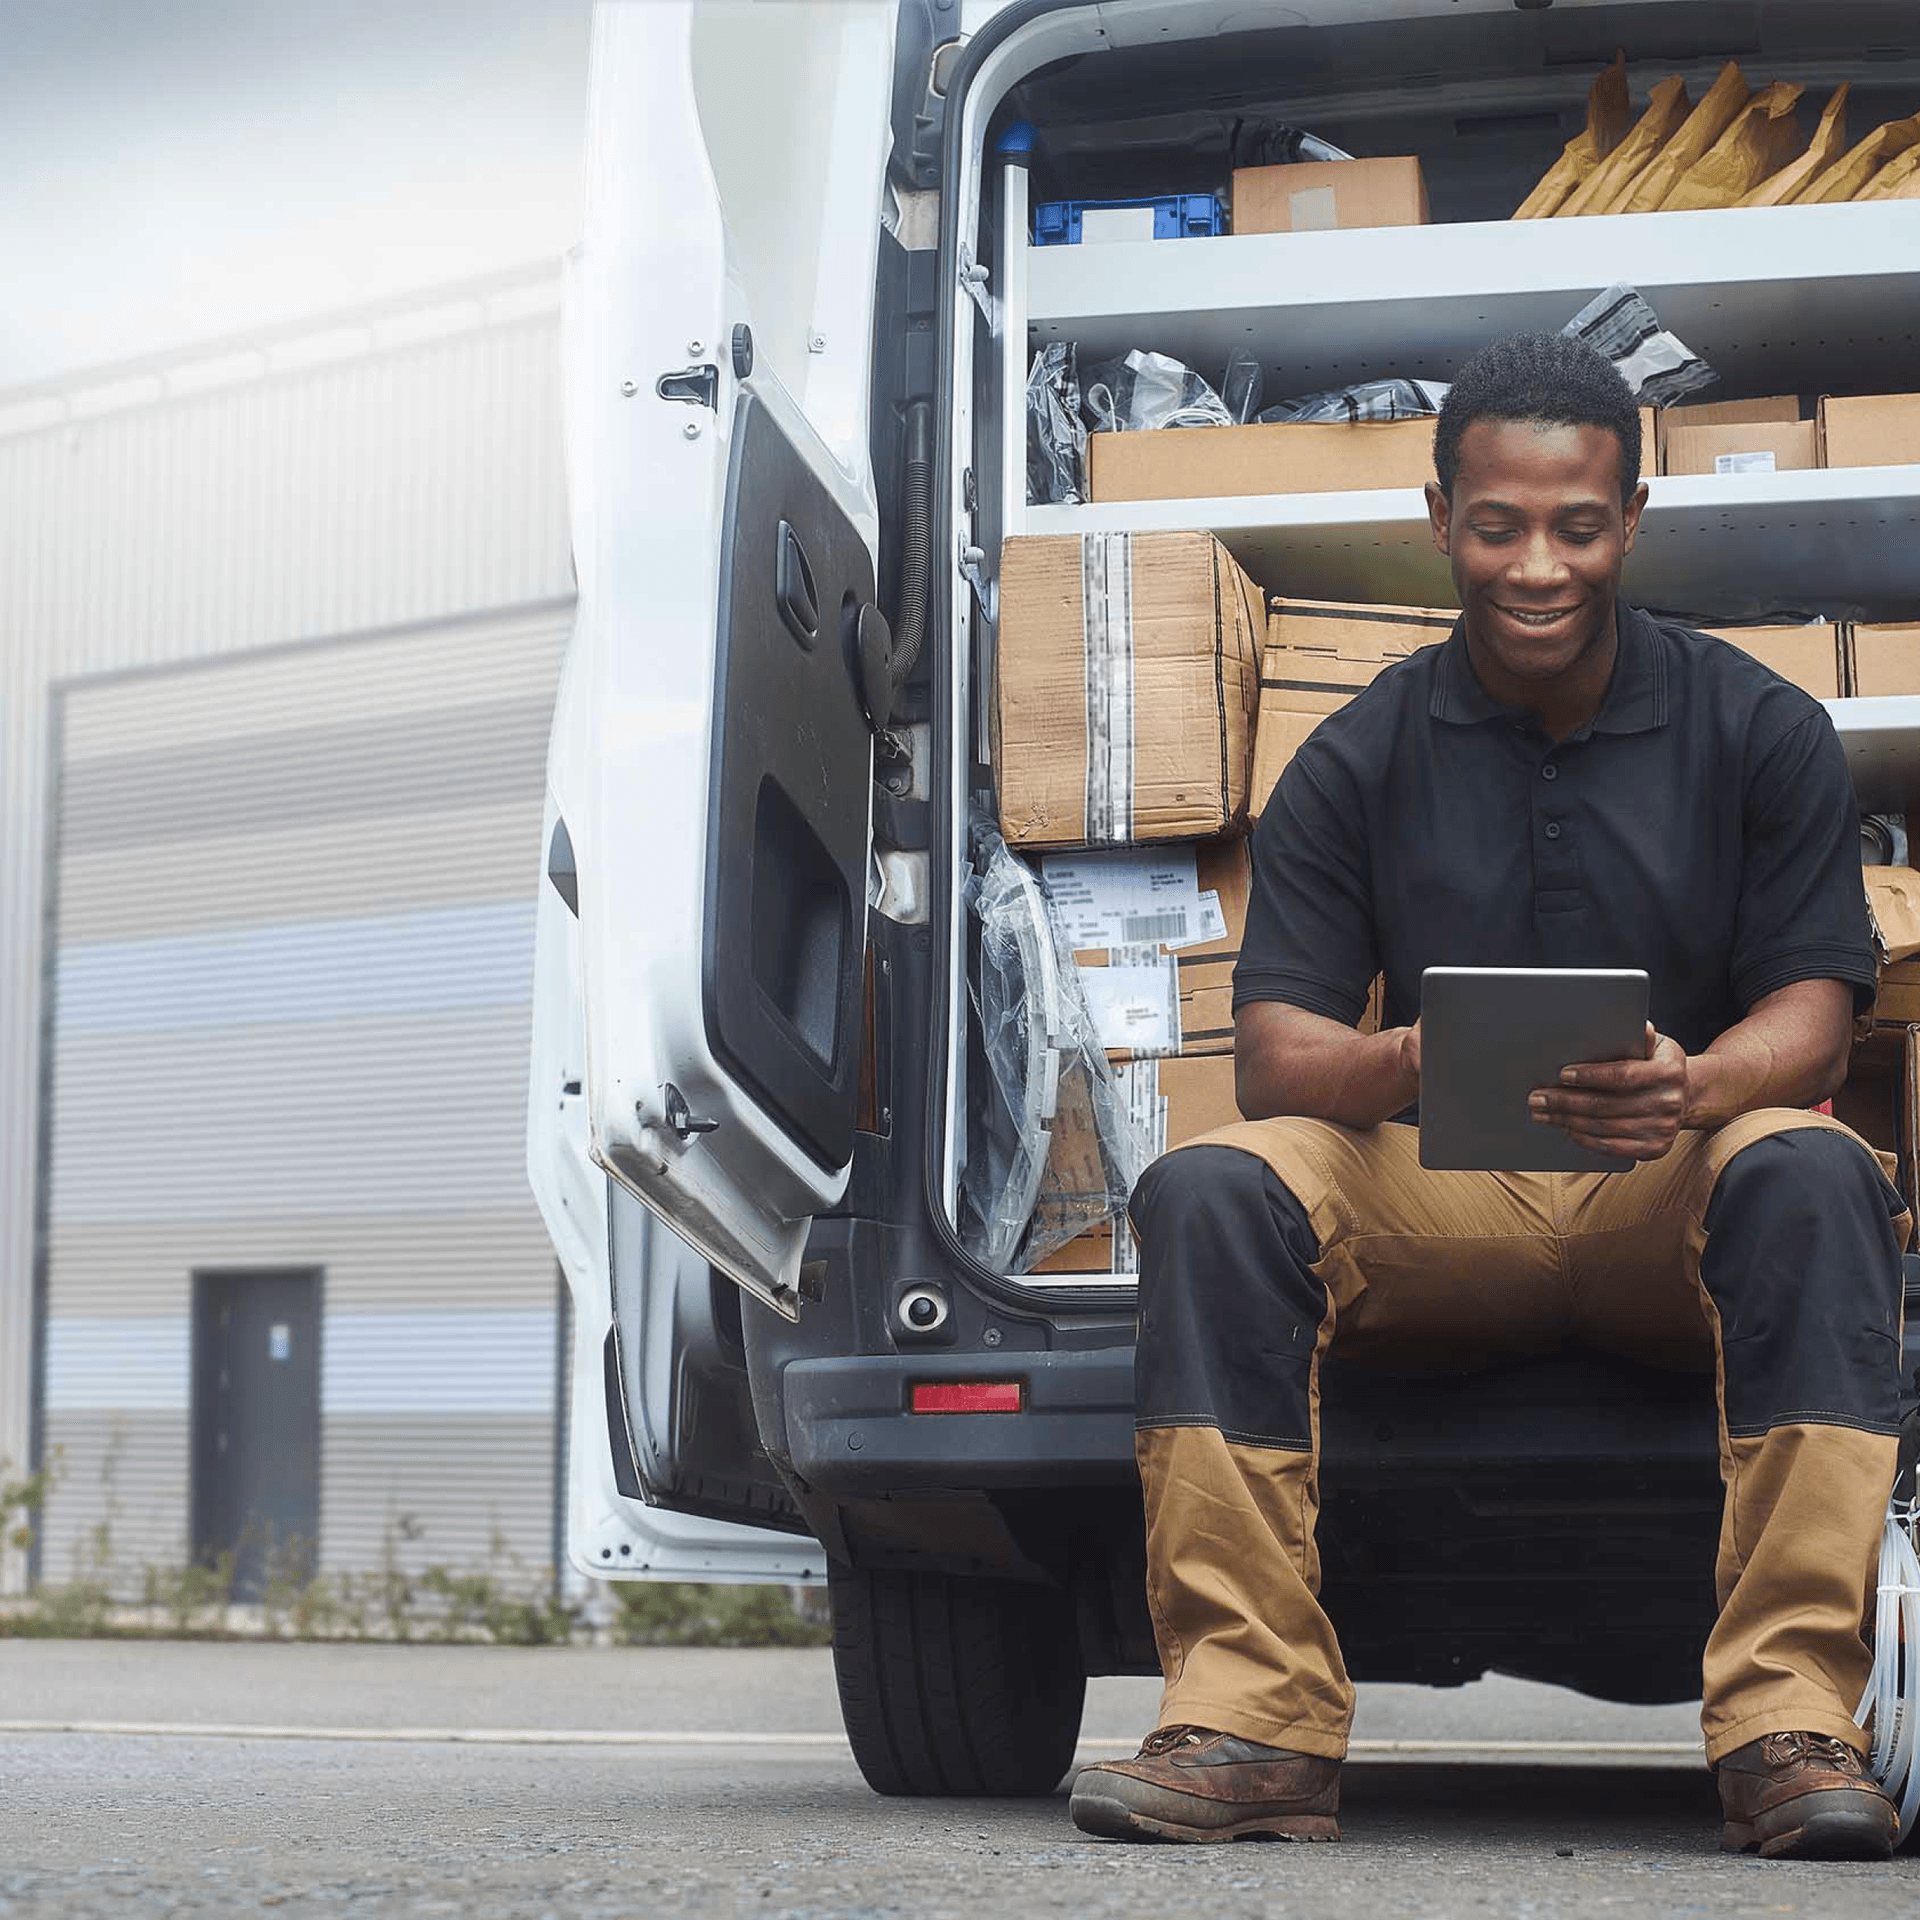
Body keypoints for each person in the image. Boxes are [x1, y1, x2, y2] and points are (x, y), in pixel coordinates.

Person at [1069, 331, 1909, 1860]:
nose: (1539, 565)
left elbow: (1821, 1012)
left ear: (1630, 522)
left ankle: (1792, 1721)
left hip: (1674, 1189)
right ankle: (1251, 1723)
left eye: (1578, 526)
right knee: (1213, 1182)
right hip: (1436, 1198)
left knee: (1817, 1161)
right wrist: (1416, 1063)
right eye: (1502, 524)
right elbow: (1276, 1051)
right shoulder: (1357, 753)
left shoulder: (1756, 727)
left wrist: (1704, 1081)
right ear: (1442, 513)